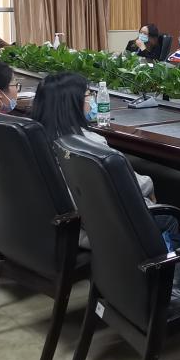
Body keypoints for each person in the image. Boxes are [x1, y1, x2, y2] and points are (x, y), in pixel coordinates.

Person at [32, 72, 157, 247]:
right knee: (168, 218)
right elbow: (133, 186)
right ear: (73, 103)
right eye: (88, 95)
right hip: (101, 233)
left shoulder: (34, 138)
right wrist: (150, 183)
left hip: (57, 228)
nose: (91, 100)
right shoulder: (90, 143)